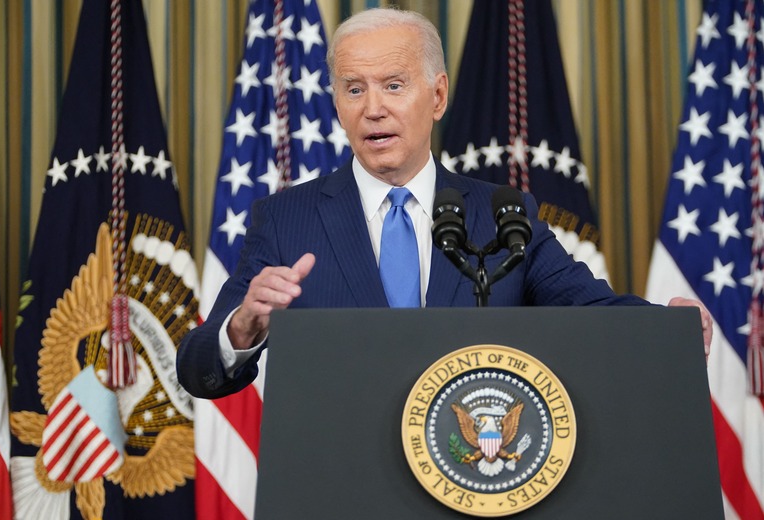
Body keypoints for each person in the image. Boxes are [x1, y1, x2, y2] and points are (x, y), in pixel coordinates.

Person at [177, 7, 712, 399]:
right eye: (354, 89)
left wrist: (666, 324)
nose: (374, 109)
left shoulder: (504, 215)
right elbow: (198, 367)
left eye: (393, 84)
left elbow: (591, 310)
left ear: (437, 96)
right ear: (336, 102)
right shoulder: (288, 219)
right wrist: (240, 330)